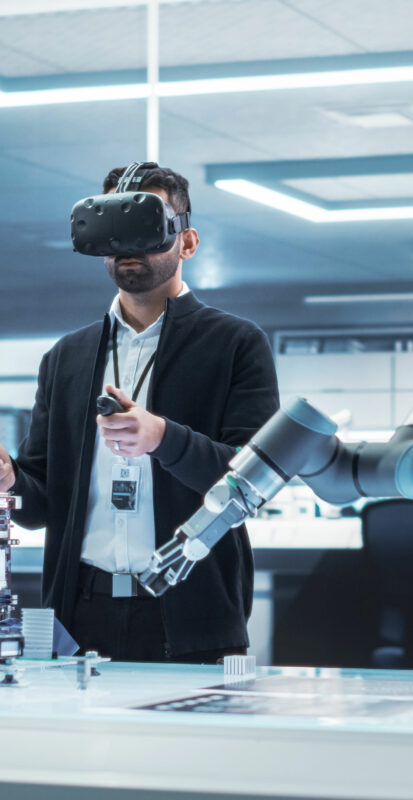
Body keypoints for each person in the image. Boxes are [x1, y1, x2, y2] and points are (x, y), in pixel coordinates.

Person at [0, 164, 279, 662]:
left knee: (186, 743)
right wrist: (11, 479)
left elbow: (255, 481)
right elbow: (42, 502)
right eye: (113, 228)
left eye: (145, 226)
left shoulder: (236, 344)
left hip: (190, 613)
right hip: (79, 616)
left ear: (186, 242)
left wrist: (163, 438)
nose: (127, 244)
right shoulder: (67, 357)